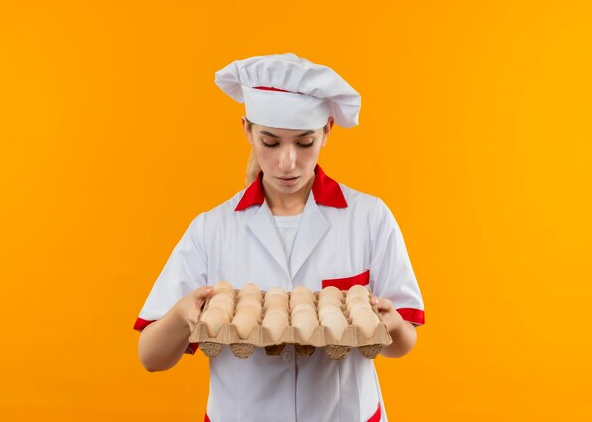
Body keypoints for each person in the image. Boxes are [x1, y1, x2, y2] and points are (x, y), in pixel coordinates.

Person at [133, 53, 425, 422]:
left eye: (304, 143)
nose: (287, 162)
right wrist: (181, 315)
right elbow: (150, 358)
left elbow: (403, 344)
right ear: (247, 130)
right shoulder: (212, 229)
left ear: (328, 131)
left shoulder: (369, 218)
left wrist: (391, 324)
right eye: (270, 143)